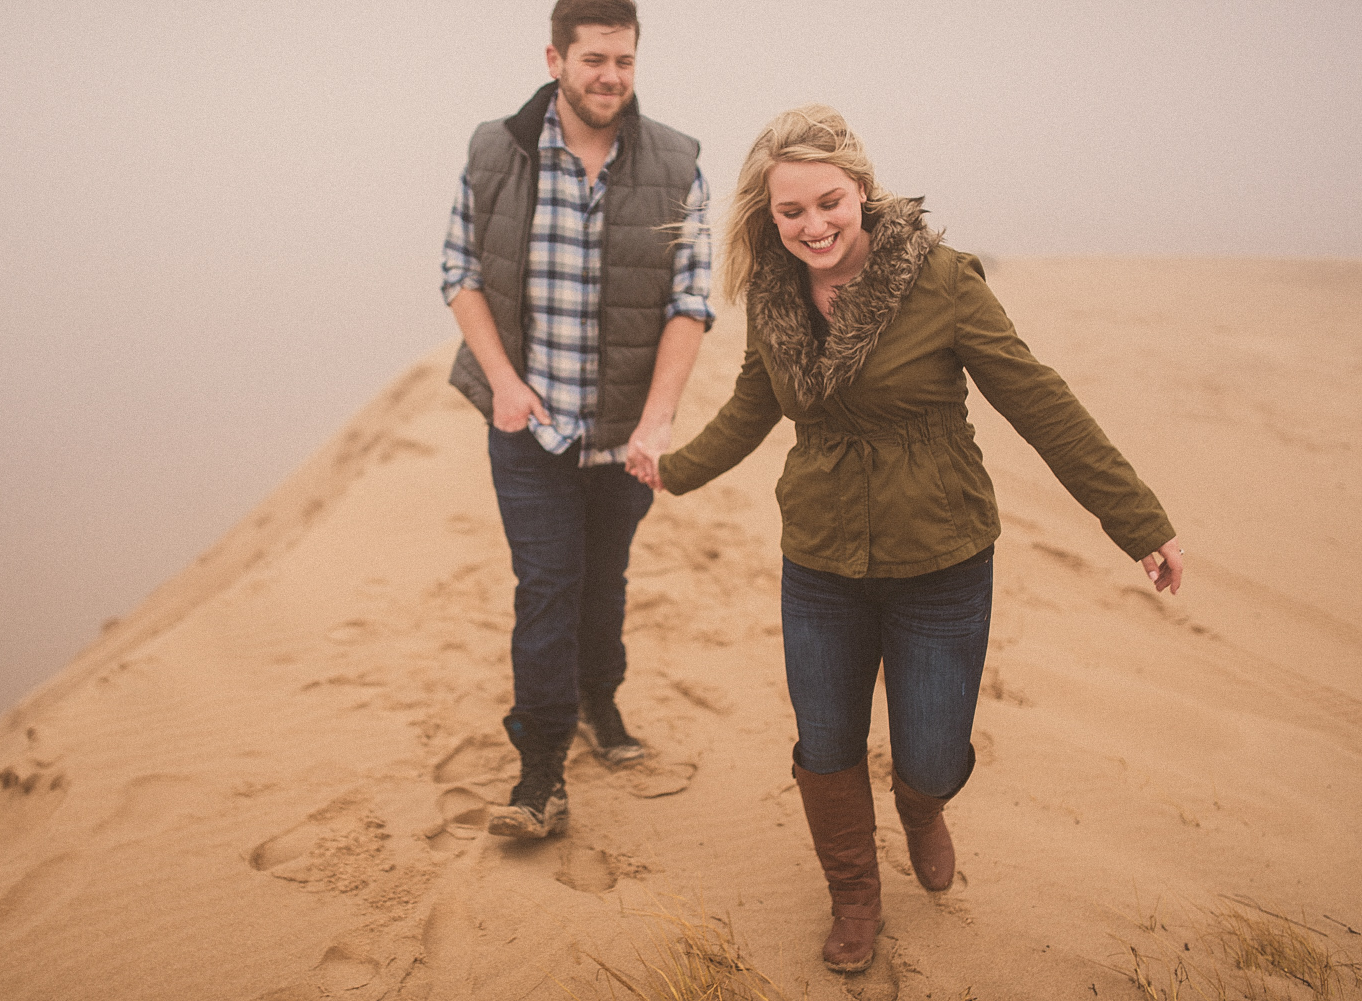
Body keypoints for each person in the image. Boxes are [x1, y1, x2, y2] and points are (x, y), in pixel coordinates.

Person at [627, 105, 1183, 972]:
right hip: (819, 560)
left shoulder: (943, 282)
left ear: (862, 191)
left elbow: (1041, 403)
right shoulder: (774, 297)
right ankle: (855, 895)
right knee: (826, 743)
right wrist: (675, 468)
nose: (813, 226)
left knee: (928, 752)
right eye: (791, 212)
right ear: (767, 216)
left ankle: (922, 808)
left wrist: (1138, 521)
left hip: (941, 561)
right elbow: (751, 405)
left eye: (829, 203)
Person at [441, 0, 713, 840]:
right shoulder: (498, 149)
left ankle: (602, 699)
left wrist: (658, 419)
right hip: (528, 428)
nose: (612, 78)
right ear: (555, 58)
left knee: (606, 580)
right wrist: (504, 383)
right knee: (548, 587)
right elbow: (460, 273)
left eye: (625, 61)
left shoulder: (678, 163)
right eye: (595, 60)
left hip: (625, 434)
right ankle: (540, 771)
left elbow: (691, 299)